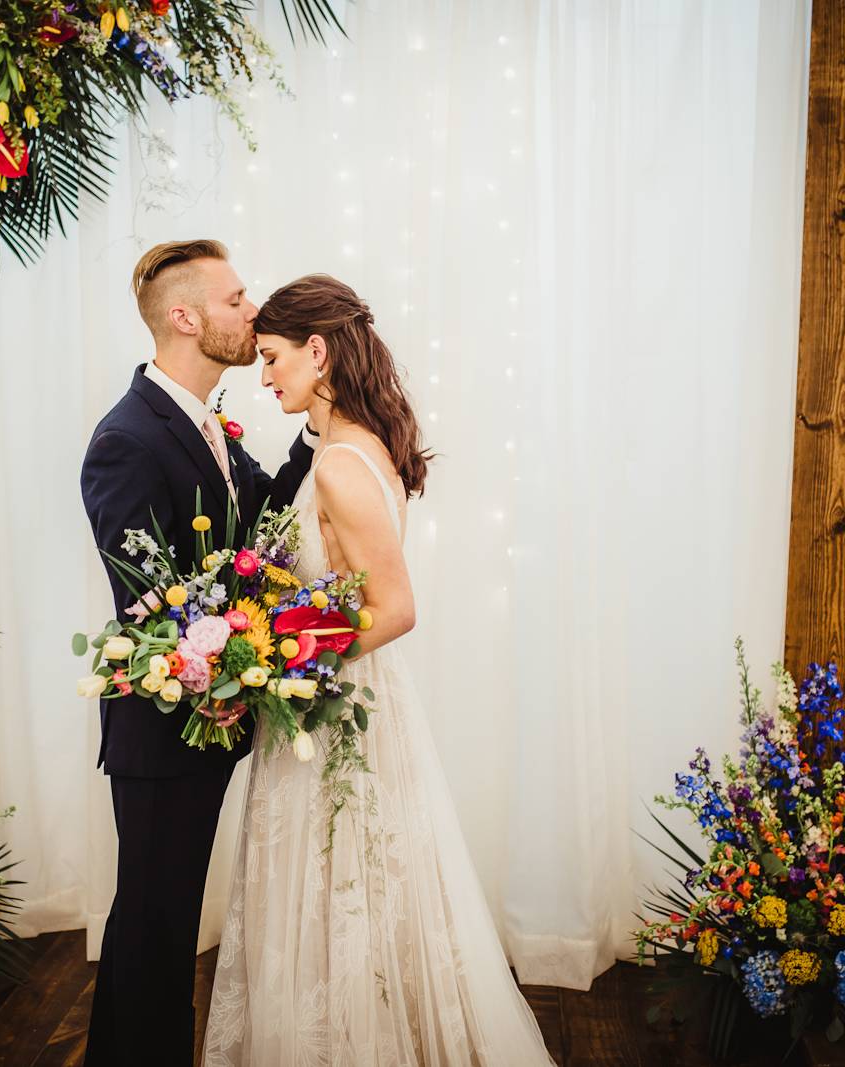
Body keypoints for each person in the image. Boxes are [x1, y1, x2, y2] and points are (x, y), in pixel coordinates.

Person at [202, 274, 556, 1065]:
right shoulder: (359, 445)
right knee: (354, 886)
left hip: (332, 706)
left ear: (317, 351)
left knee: (334, 883)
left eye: (272, 358)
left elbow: (395, 607)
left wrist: (278, 665)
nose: (264, 377)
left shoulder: (337, 463)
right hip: (347, 698)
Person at [79, 240, 317, 1065]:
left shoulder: (205, 422)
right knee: (153, 924)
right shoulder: (128, 439)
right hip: (162, 726)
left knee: (166, 919)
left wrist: (321, 435)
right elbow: (148, 598)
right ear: (185, 317)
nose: (253, 312)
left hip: (210, 715)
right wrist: (229, 662)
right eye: (237, 298)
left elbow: (260, 532)